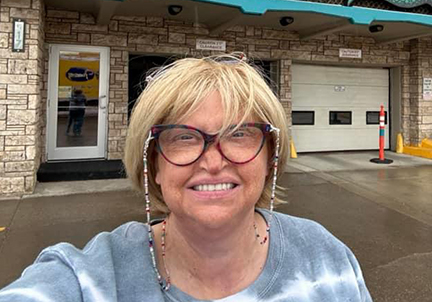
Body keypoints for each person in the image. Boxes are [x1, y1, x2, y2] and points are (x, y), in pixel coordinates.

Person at [0, 53, 372, 301]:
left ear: (270, 157)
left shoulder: (326, 258)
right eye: (183, 137)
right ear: (153, 165)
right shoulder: (88, 279)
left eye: (239, 133)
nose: (213, 162)